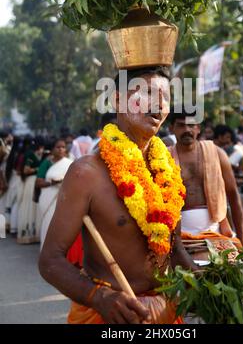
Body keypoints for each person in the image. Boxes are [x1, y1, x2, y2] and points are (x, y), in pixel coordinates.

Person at [39, 67, 197, 324]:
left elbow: (175, 247)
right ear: (118, 100)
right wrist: (98, 297)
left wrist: (205, 283)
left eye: (165, 97)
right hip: (107, 315)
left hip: (166, 310)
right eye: (146, 93)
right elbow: (50, 261)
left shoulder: (168, 167)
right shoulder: (86, 173)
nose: (158, 104)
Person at [168, 111, 243, 247]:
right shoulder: (163, 157)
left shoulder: (217, 153)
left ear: (198, 128)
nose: (187, 130)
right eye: (181, 125)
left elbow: (233, 195)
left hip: (216, 233)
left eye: (191, 125)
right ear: (171, 129)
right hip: (176, 237)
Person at [36, 139, 73, 248]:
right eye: (58, 147)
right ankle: (47, 250)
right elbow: (38, 182)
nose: (61, 149)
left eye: (63, 147)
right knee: (49, 222)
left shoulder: (70, 163)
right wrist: (52, 183)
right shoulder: (46, 163)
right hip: (48, 198)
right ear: (52, 150)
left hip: (65, 199)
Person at [17, 138, 44, 244]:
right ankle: (26, 234)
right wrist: (38, 169)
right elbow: (25, 170)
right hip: (30, 182)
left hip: (34, 182)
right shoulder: (30, 155)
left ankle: (34, 233)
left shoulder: (37, 154)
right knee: (29, 205)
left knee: (34, 207)